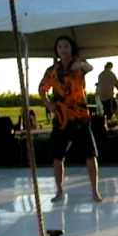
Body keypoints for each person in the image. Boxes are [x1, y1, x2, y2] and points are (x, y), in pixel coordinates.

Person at [38, 35, 102, 202]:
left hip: (81, 117)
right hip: (61, 118)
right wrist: (49, 105)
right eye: (60, 47)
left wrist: (80, 63)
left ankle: (95, 191)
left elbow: (91, 67)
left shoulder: (79, 65)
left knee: (90, 155)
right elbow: (41, 89)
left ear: (71, 48)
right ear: (57, 51)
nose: (63, 49)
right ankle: (59, 191)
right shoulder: (52, 71)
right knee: (57, 157)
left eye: (66, 46)